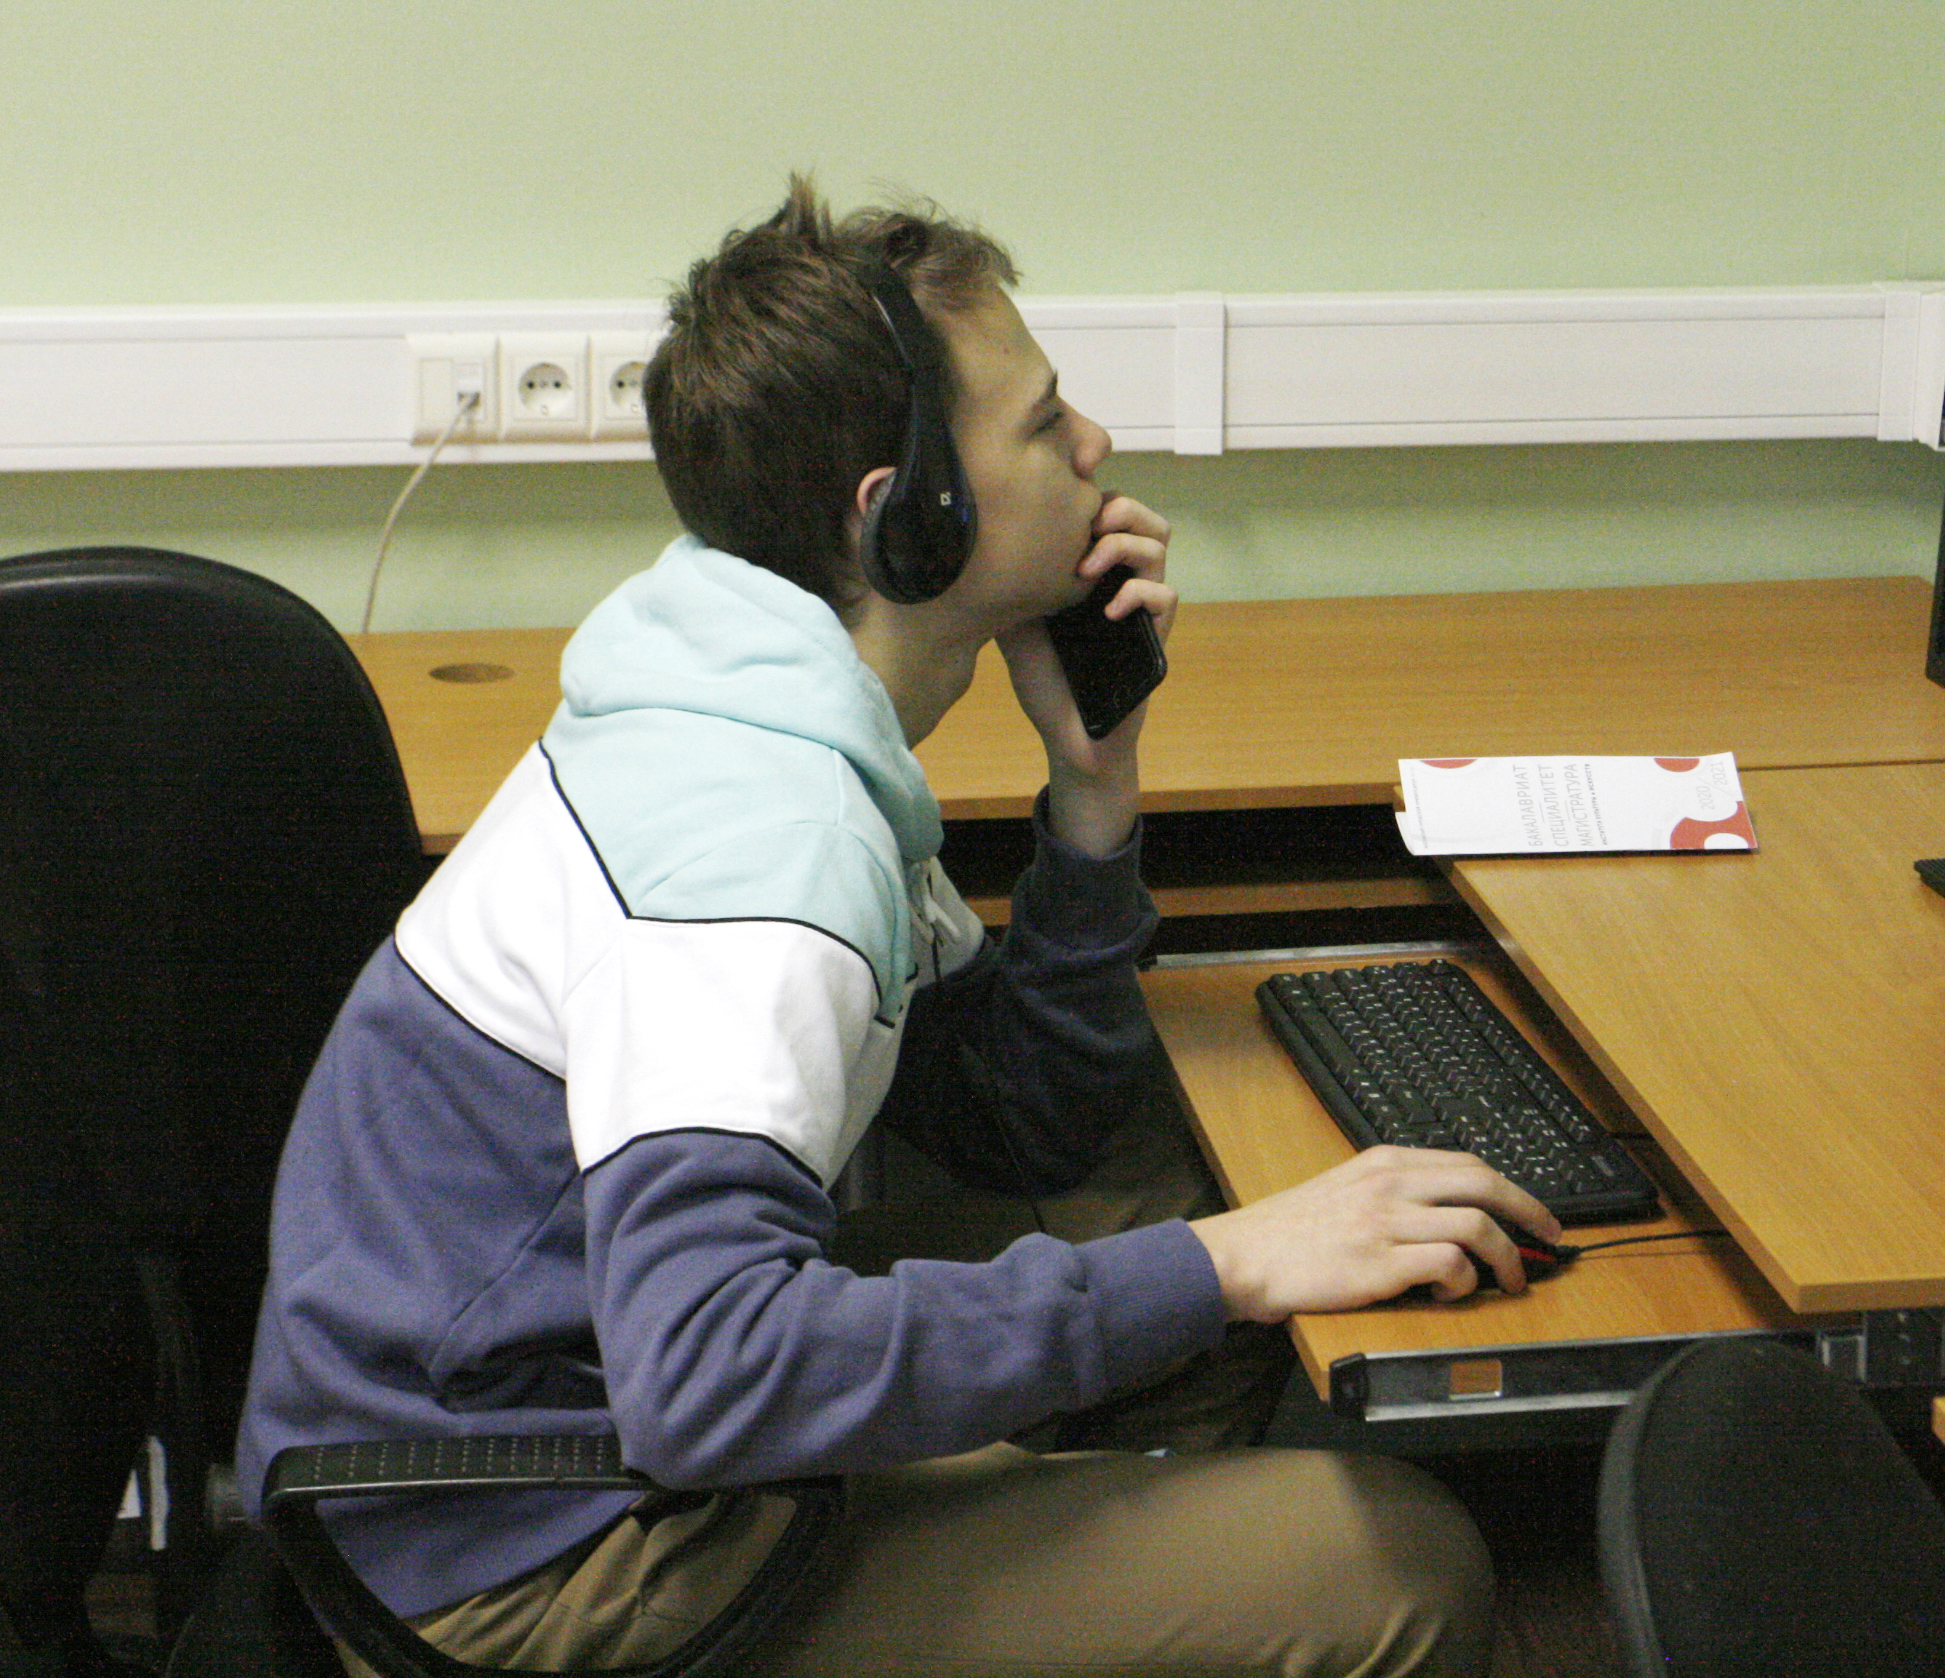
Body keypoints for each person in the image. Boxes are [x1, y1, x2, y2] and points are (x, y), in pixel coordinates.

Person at [239, 175, 1563, 1678]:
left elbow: (1021, 1120)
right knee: (1396, 1565)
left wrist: (1093, 785)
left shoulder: (754, 693)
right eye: (1043, 425)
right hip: (513, 1559)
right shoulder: (764, 849)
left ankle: (1066, 1557)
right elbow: (709, 1377)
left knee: (1171, 1203)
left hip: (543, 1419)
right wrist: (1226, 1266)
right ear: (909, 518)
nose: (1094, 445)